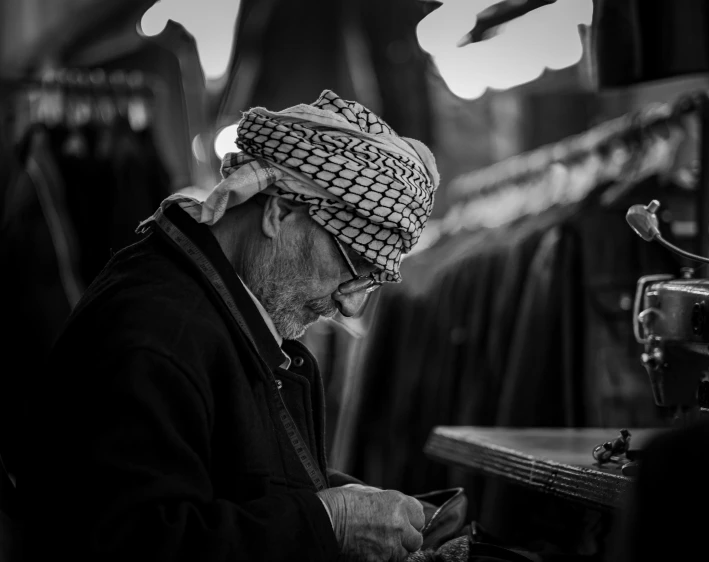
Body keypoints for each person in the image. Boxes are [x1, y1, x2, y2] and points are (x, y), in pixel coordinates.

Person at [18, 90, 440, 562]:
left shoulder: (211, 305)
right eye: (353, 266)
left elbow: (222, 475)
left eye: (370, 282)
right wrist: (327, 523)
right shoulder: (155, 335)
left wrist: (341, 498)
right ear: (280, 211)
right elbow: (131, 543)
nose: (351, 307)